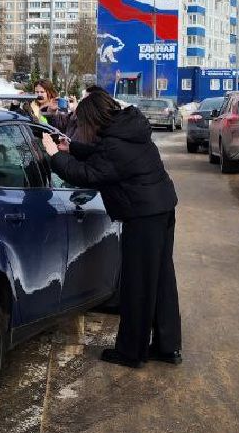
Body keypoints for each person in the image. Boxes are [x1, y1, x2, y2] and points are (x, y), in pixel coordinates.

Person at [41, 90, 181, 368]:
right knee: (162, 280)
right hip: (162, 208)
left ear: (93, 119)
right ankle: (167, 346)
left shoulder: (114, 145)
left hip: (143, 215)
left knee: (137, 284)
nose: (82, 129)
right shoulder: (127, 128)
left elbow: (88, 174)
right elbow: (104, 153)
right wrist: (74, 149)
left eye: (83, 124)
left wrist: (55, 156)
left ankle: (131, 352)